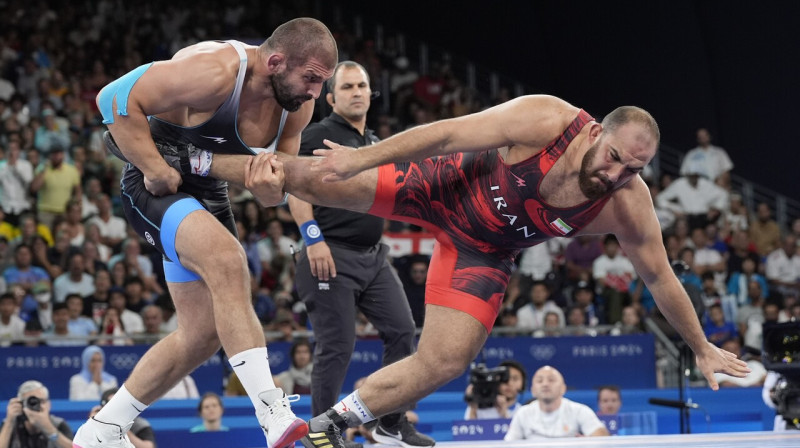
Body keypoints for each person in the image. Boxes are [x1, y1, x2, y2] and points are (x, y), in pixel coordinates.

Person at [169, 95, 752, 447]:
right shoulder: (548, 119)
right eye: (615, 157)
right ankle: (190, 158)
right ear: (597, 132)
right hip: (441, 186)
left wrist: (699, 347)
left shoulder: (628, 204)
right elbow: (446, 133)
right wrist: (358, 158)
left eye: (635, 168)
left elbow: (659, 278)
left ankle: (334, 422)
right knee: (315, 177)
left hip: (483, 252)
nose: (619, 173)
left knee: (449, 358)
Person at [73, 18, 339, 448]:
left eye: (320, 83)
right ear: (274, 61)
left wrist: (273, 189)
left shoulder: (297, 105)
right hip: (152, 184)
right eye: (310, 79)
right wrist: (155, 167)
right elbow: (112, 97)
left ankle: (102, 429)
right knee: (228, 260)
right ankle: (271, 409)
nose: (314, 93)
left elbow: (277, 186)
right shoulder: (215, 70)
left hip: (208, 190)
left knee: (201, 336)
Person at [286, 60, 429, 448]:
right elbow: (294, 186)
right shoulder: (318, 132)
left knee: (402, 331)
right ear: (331, 97)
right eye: (347, 87)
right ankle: (322, 433)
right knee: (337, 346)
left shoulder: (371, 144)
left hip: (373, 257)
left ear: (371, 93)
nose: (356, 92)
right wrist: (312, 238)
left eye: (361, 86)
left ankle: (391, 424)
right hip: (329, 253)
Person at [504, 366, 608, 440]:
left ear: (563, 388)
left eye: (551, 380)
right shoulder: (523, 413)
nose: (545, 384)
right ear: (533, 390)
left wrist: (589, 443)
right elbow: (509, 444)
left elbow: (602, 437)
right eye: (540, 381)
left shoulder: (579, 410)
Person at [0, 380, 73, 448]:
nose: (37, 406)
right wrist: (9, 422)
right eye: (32, 402)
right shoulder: (9, 425)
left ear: (49, 405)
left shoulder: (59, 424)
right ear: (21, 404)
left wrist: (49, 429)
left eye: (42, 401)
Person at [89, 389, 156, 448]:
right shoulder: (99, 422)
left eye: (116, 406)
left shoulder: (139, 424)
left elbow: (149, 447)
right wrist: (92, 423)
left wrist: (124, 430)